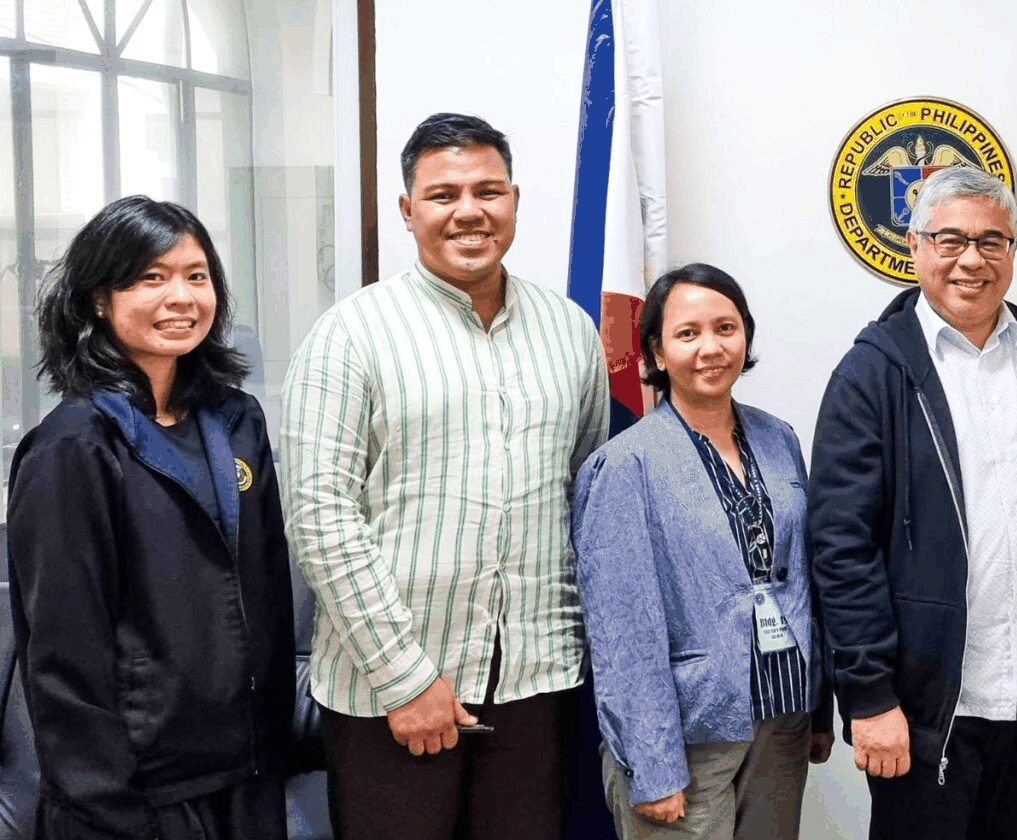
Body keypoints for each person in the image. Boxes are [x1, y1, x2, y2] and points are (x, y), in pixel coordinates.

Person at [281, 113, 608, 839]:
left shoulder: (570, 332)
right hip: (388, 690)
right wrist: (406, 678)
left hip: (536, 681)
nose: (469, 211)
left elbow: (584, 497)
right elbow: (319, 517)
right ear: (408, 210)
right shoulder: (350, 334)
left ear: (515, 201)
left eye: (488, 190)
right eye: (443, 194)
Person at [808, 166, 1017, 839]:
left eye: (993, 242)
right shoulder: (872, 374)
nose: (971, 259)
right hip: (923, 716)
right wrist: (869, 695)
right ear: (916, 245)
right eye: (950, 238)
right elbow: (841, 548)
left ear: (1013, 251)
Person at [6, 196, 294, 839]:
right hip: (138, 798)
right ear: (98, 301)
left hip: (247, 776)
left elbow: (268, 589)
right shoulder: (73, 448)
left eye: (196, 276)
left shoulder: (236, 419)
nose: (181, 297)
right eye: (149, 278)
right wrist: (106, 807)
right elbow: (63, 655)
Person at [573, 263, 833, 839]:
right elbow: (623, 631)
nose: (711, 347)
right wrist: (652, 764)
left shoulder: (778, 438)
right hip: (687, 737)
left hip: (782, 719)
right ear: (658, 355)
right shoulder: (624, 466)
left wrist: (819, 710)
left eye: (726, 328)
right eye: (688, 334)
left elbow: (806, 584)